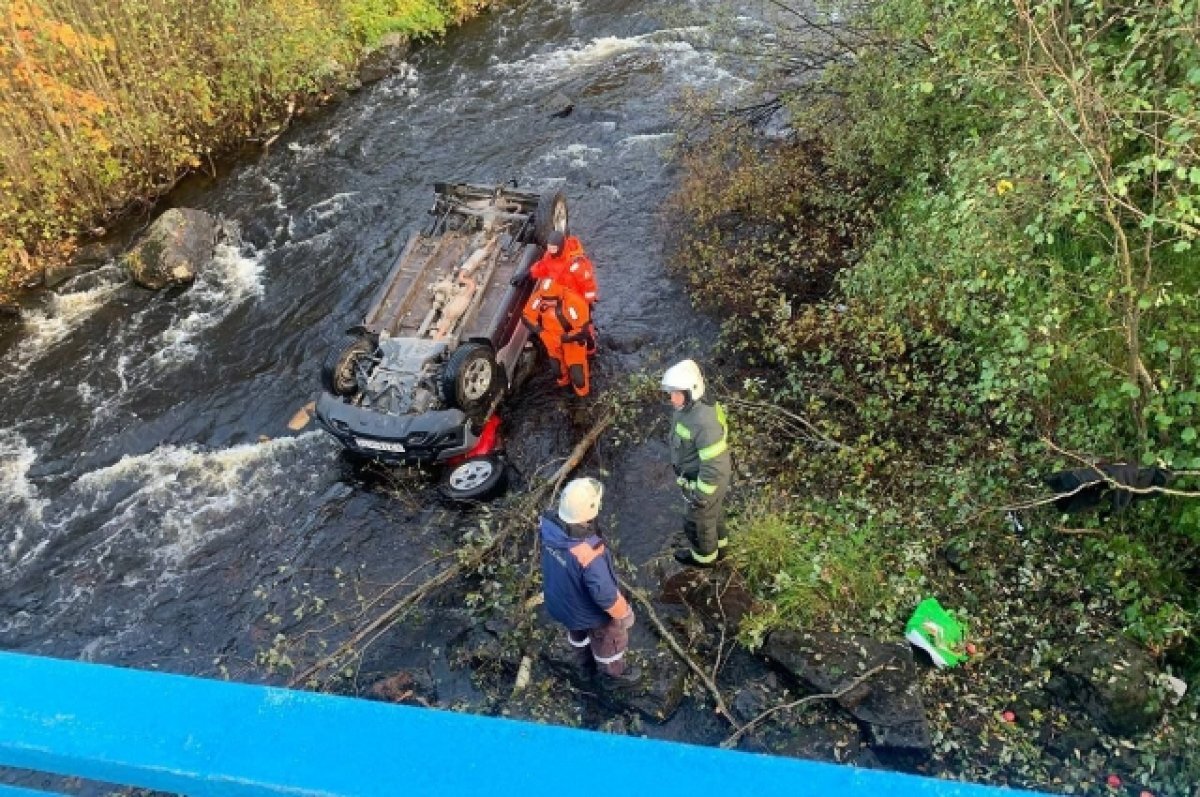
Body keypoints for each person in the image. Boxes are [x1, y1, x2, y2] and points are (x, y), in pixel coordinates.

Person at [539, 477, 640, 682]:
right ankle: (613, 675)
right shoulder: (588, 554)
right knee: (611, 638)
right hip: (589, 613)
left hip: (560, 604)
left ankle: (584, 665)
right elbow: (606, 596)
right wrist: (624, 614)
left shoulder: (547, 527)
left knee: (577, 633)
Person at [661, 359, 731, 568]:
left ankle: (704, 561)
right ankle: (721, 549)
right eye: (671, 392)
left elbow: (715, 466)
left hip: (705, 484)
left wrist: (701, 496)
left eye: (677, 393)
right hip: (700, 480)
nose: (672, 398)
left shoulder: (703, 422)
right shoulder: (689, 408)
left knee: (697, 523)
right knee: (713, 515)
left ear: (692, 391)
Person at [520, 275, 594, 396]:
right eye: (544, 299)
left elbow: (582, 330)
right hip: (550, 339)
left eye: (550, 300)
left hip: (572, 342)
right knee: (557, 370)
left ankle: (583, 396)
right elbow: (526, 316)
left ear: (559, 296)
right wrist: (540, 331)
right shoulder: (539, 298)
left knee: (578, 377)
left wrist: (567, 337)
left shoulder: (573, 302)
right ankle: (565, 391)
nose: (546, 302)